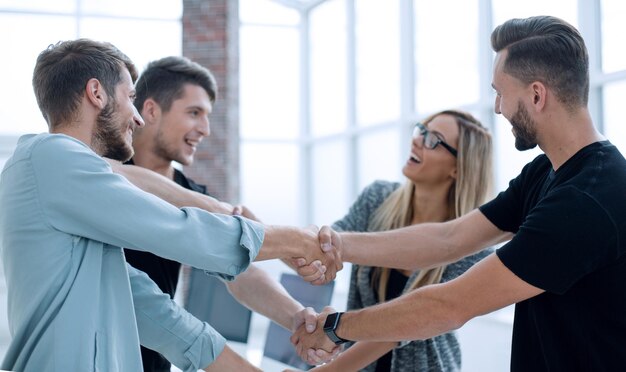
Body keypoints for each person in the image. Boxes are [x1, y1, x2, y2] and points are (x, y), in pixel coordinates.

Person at [291, 15, 626, 371]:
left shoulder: (587, 200)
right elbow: (449, 238)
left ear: (537, 95)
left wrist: (337, 328)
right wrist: (337, 246)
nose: (498, 108)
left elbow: (449, 306)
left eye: (500, 93)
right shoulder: (546, 172)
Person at [0, 38, 339, 372]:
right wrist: (296, 240)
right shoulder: (51, 159)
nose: (135, 117)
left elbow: (159, 316)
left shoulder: (75, 197)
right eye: (130, 97)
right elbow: (182, 231)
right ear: (96, 93)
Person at [121, 55, 334, 371]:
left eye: (207, 116)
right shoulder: (105, 175)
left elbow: (239, 271)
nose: (205, 129)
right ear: (151, 110)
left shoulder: (198, 198)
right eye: (194, 113)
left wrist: (297, 318)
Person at [287, 110, 493, 372]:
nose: (417, 140)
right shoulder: (378, 199)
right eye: (422, 130)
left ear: (458, 168)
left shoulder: (473, 245)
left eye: (433, 140)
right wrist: (256, 229)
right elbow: (320, 252)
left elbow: (403, 323)